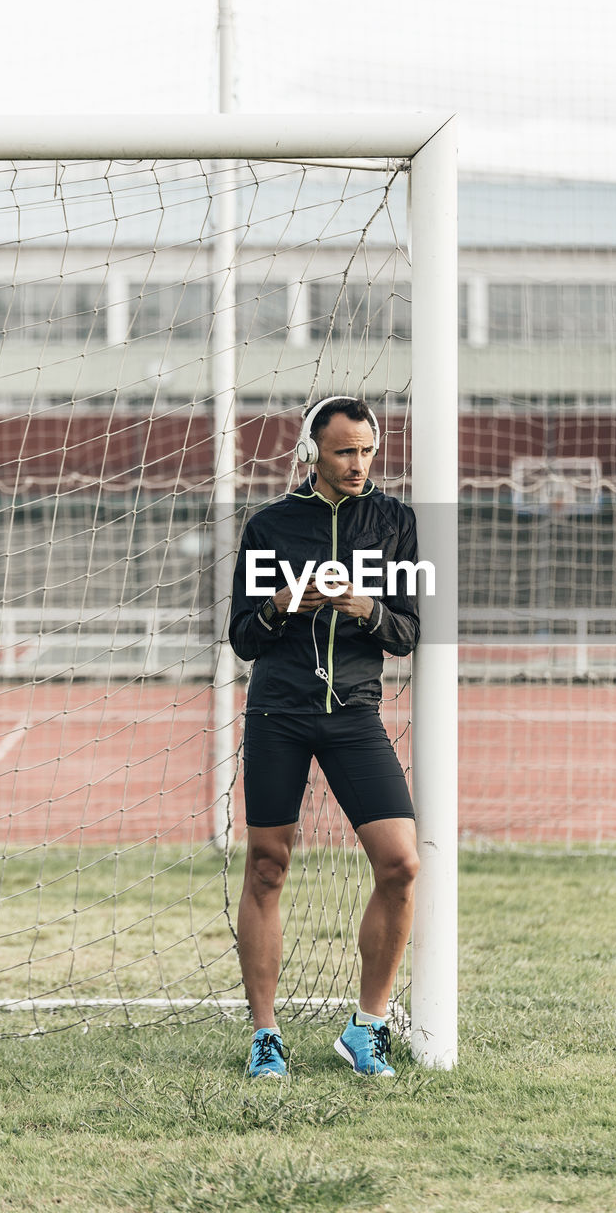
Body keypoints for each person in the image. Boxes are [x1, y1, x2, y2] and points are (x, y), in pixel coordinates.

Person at [229, 395, 421, 1078]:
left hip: (354, 716)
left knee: (401, 864)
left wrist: (364, 606)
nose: (358, 464)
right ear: (312, 454)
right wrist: (284, 603)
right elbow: (242, 637)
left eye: (367, 450)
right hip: (279, 711)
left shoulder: (395, 522)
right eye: (344, 451)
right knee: (267, 867)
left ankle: (366, 1028)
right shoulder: (271, 525)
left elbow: (408, 632)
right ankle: (265, 1036)